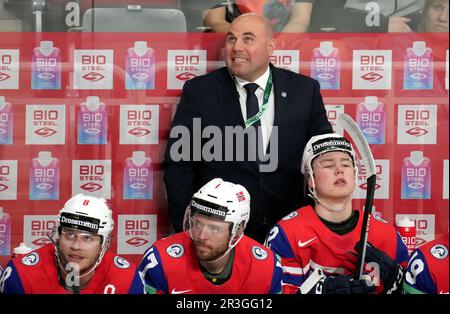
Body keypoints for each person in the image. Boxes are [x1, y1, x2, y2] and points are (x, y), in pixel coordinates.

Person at [164, 13, 332, 244]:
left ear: (270, 47)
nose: (237, 47)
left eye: (248, 39)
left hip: (291, 230)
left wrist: (324, 219)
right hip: (221, 232)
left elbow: (324, 157)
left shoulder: (304, 91)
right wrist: (189, 227)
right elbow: (179, 165)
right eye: (231, 39)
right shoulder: (200, 92)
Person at [266, 133, 409, 294]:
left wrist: (396, 280)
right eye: (328, 164)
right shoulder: (287, 234)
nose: (339, 170)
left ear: (355, 175)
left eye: (346, 164)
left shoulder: (386, 234)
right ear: (311, 179)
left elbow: (414, 288)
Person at [137, 178, 282, 294]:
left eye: (214, 228)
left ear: (238, 230)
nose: (201, 235)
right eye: (198, 223)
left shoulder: (266, 267)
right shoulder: (160, 260)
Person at [0, 194, 144, 294]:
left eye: (87, 238)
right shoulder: (22, 274)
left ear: (104, 244)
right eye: (69, 235)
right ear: (57, 237)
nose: (76, 246)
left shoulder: (128, 278)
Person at [203, 1, 314, 32]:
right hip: (235, 45)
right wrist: (242, 40)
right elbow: (215, 21)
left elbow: (299, 20)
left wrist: (276, 45)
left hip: (283, 46)